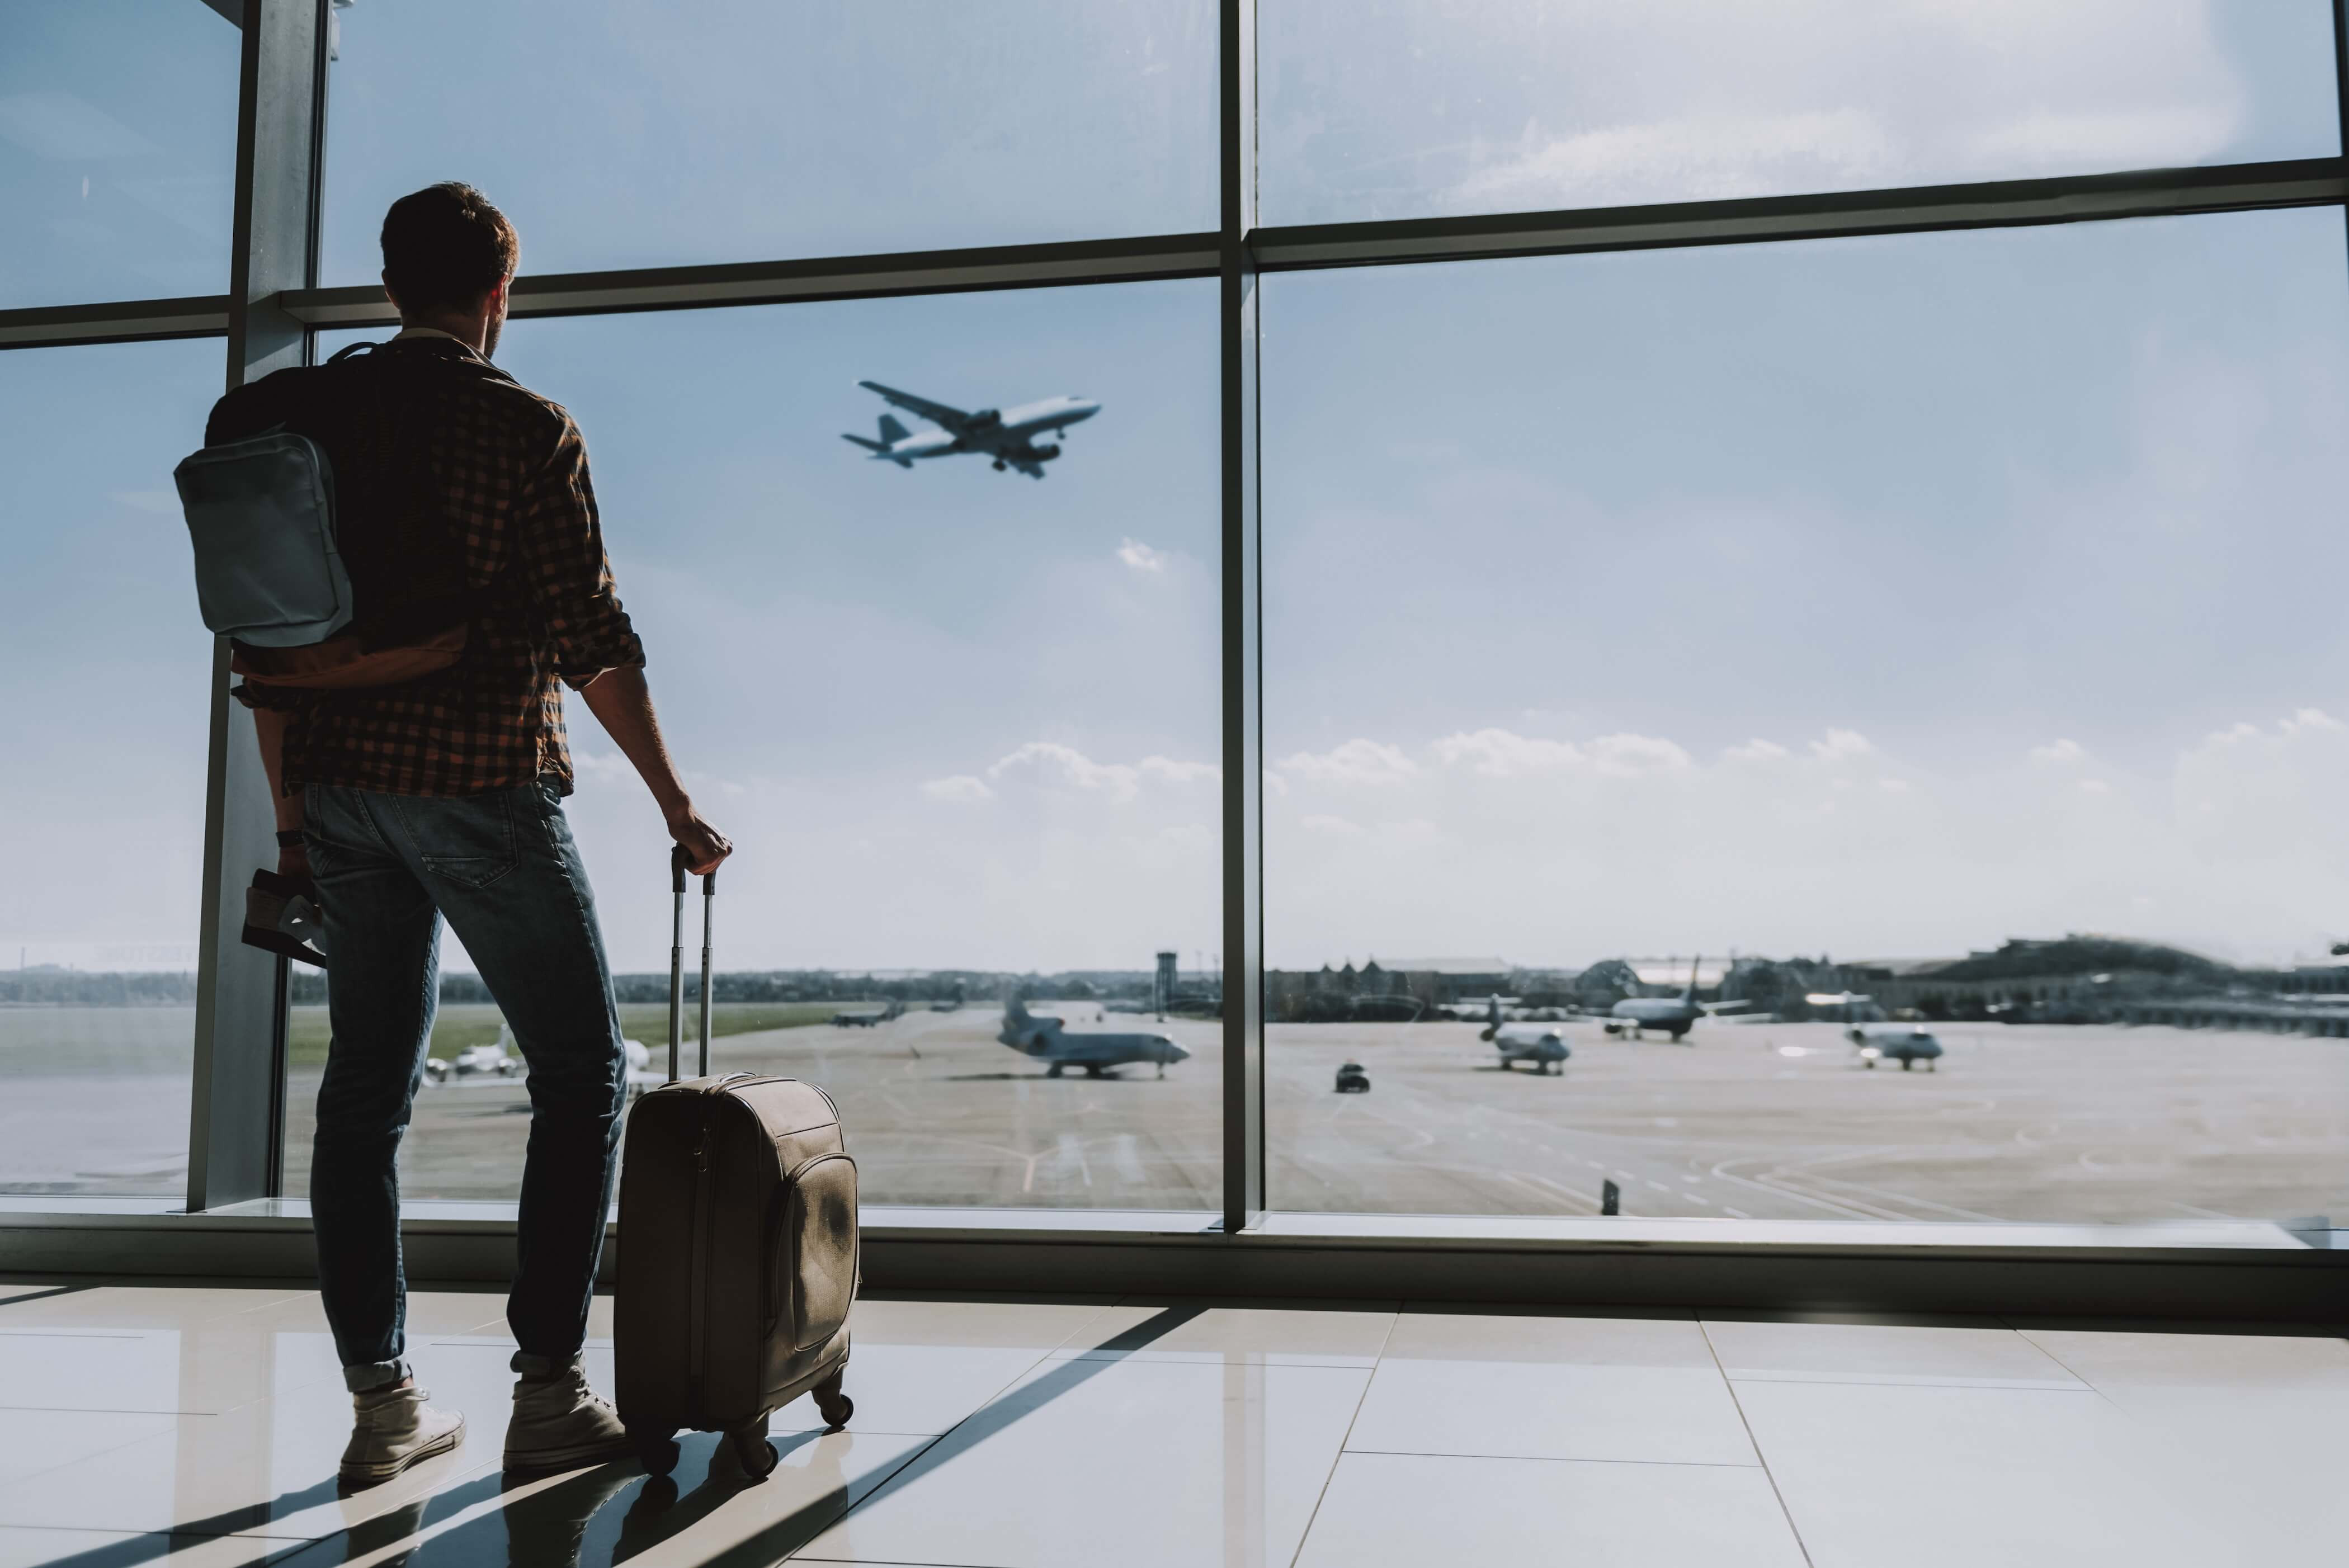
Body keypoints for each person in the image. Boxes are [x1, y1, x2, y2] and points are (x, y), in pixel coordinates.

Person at [215, 182, 730, 1484]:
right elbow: (593, 641)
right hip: (479, 780)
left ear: (394, 287)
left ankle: (383, 1405)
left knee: (364, 1096)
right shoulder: (524, 427)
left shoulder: (301, 419)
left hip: (335, 793)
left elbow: (263, 650)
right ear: (500, 293)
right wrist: (674, 800)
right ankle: (549, 1388)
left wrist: (291, 820)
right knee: (582, 1070)